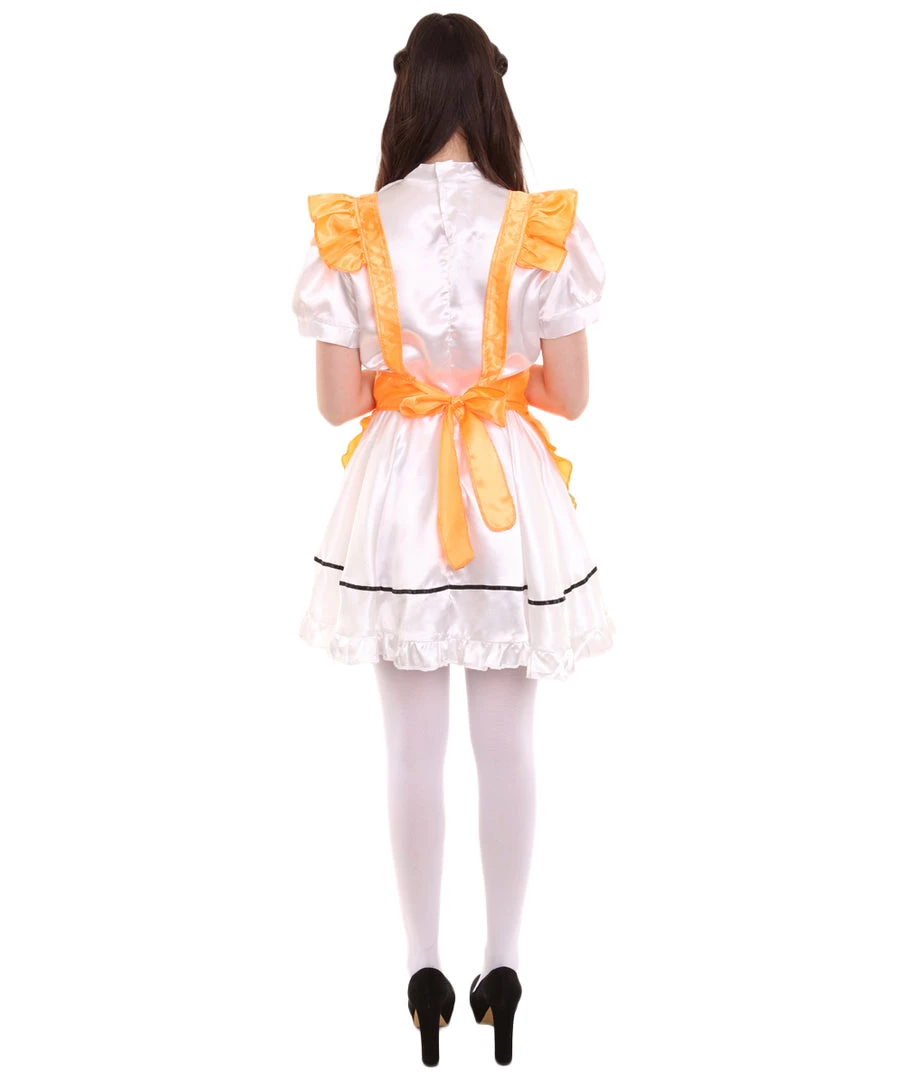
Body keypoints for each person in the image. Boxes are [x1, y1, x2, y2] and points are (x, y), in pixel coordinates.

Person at [290, 12, 616, 1067]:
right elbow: (570, 394)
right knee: (509, 743)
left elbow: (338, 406)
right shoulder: (536, 224)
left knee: (409, 746)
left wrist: (411, 385)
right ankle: (503, 966)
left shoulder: (354, 228)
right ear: (490, 92)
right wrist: (493, 386)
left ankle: (422, 970)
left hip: (397, 499)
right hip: (506, 492)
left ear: (406, 92)